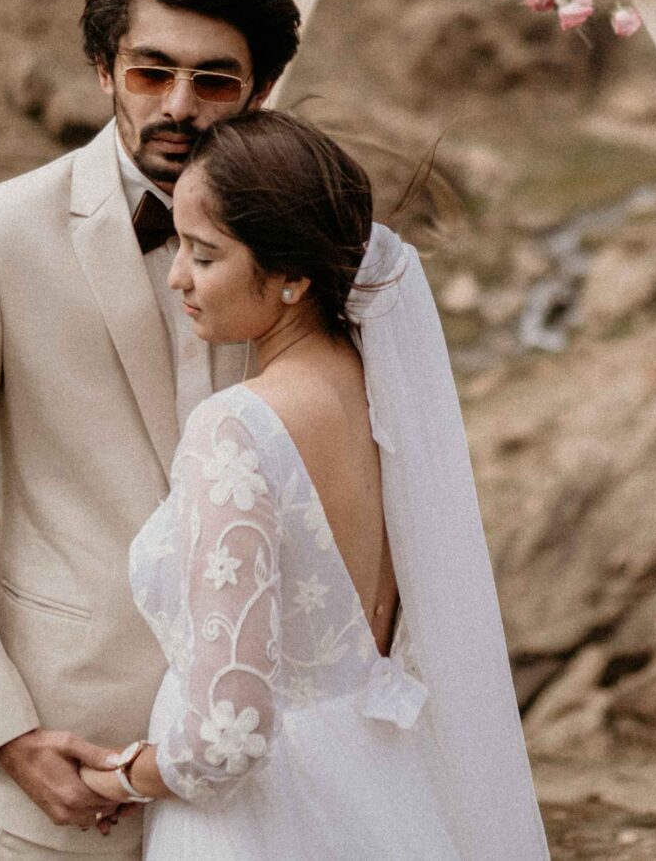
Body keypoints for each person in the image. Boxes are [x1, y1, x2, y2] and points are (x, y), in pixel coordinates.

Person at [0, 0, 300, 857]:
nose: (178, 105)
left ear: (262, 87)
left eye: (214, 79)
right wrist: (5, 730)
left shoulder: (307, 239)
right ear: (105, 67)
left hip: (273, 758)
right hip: (71, 746)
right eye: (151, 71)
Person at [70, 110, 549, 861]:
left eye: (204, 254)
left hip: (262, 824)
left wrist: (115, 777)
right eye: (179, 246)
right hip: (383, 783)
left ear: (292, 276)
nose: (177, 275)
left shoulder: (236, 427)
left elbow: (227, 736)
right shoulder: (382, 395)